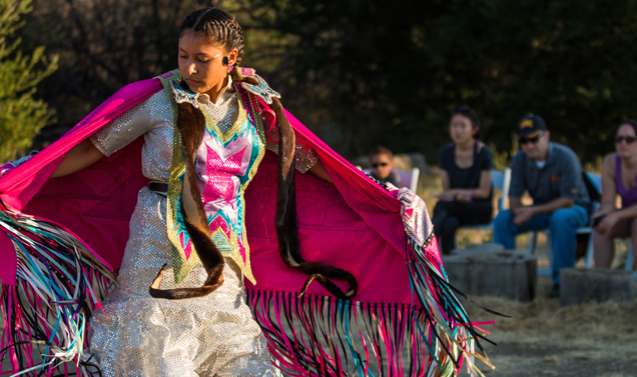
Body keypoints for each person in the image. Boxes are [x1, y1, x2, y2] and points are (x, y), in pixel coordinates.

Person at [0, 8, 497, 377]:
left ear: (232, 59)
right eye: (183, 56)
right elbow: (91, 150)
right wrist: (22, 177)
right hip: (157, 247)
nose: (190, 68)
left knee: (240, 363)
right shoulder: (159, 100)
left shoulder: (258, 109)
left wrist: (381, 194)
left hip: (225, 256)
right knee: (159, 359)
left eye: (203, 59)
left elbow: (311, 161)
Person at [493, 114, 591, 298]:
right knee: (503, 219)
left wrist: (532, 210)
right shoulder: (519, 159)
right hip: (540, 211)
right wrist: (519, 211)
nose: (529, 145)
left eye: (533, 139)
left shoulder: (566, 157)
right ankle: (505, 280)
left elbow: (568, 200)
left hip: (574, 209)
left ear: (546, 135)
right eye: (524, 141)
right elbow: (514, 197)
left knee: (561, 217)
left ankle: (561, 282)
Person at [433, 106, 493, 254]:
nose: (457, 130)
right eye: (454, 126)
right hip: (456, 208)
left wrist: (464, 193)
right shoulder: (445, 153)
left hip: (480, 208)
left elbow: (484, 192)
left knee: (442, 206)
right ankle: (448, 267)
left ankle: (424, 244)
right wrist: (457, 195)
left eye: (462, 126)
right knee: (448, 224)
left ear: (474, 129)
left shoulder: (484, 153)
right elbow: (448, 191)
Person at [593, 120, 637, 268]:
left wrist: (616, 215)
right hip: (627, 216)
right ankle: (602, 281)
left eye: (629, 139)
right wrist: (602, 215)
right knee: (601, 227)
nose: (623, 143)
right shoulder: (610, 162)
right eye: (619, 139)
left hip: (632, 217)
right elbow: (608, 202)